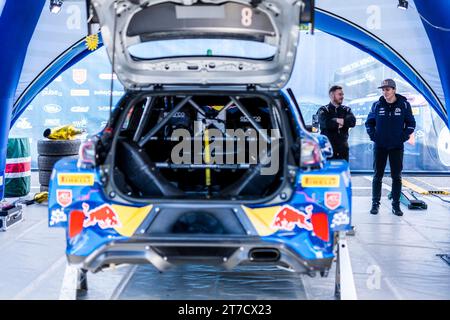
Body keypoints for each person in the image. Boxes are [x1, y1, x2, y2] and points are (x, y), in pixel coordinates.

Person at [365, 79, 416, 216]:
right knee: (377, 176)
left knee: (396, 177)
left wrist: (403, 137)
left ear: (394, 90)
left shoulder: (404, 105)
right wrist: (374, 137)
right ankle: (375, 204)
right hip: (380, 146)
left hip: (396, 147)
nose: (385, 92)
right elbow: (369, 123)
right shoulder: (377, 105)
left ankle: (396, 206)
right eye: (383, 89)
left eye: (387, 89)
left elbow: (411, 123)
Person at [316, 85, 356, 161]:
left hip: (343, 149)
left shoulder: (346, 109)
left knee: (343, 171)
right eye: (340, 94)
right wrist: (340, 122)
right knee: (327, 172)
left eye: (342, 94)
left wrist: (334, 120)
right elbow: (324, 123)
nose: (342, 97)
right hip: (327, 149)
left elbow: (352, 122)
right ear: (332, 96)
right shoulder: (323, 110)